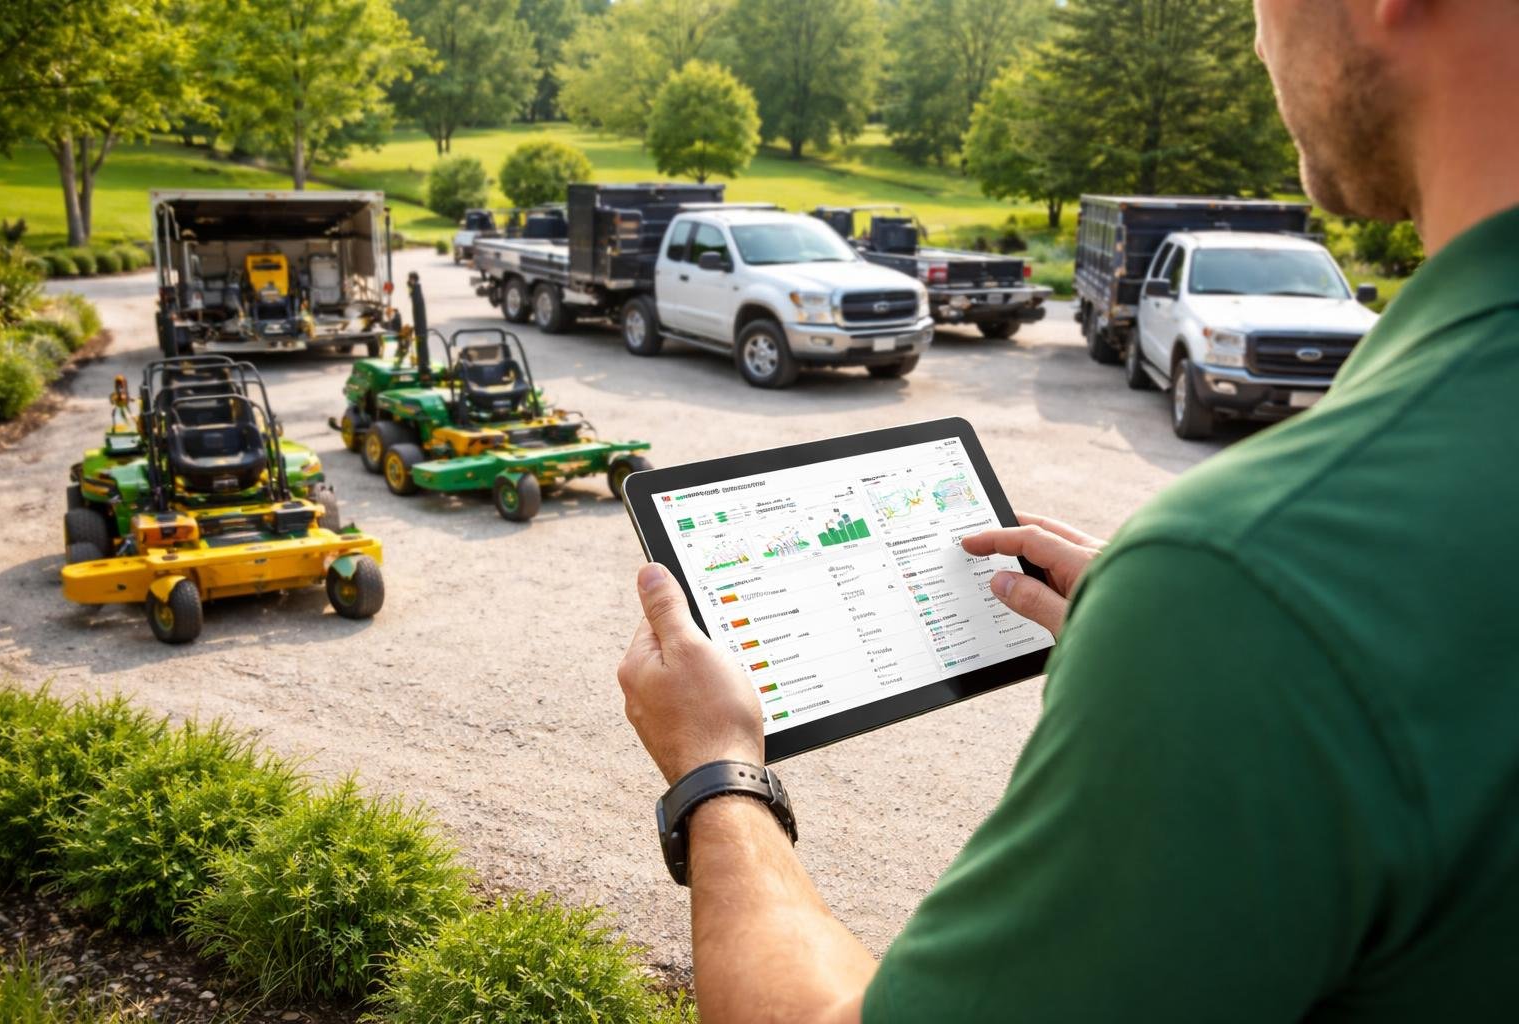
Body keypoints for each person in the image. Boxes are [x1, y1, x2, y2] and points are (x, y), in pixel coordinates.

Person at [616, 0, 1519, 1019]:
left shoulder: (1250, 583)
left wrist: (715, 770)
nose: (1259, 34)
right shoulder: (1280, 583)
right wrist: (1191, 641)